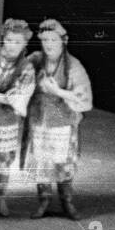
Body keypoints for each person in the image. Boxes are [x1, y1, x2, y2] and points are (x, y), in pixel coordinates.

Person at [25, 19, 94, 219]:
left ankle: (67, 201)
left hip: (63, 121)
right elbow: (19, 73)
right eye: (45, 39)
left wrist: (57, 91)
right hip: (40, 119)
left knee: (64, 163)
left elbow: (84, 98)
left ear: (63, 41)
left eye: (53, 40)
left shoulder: (73, 65)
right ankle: (44, 200)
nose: (48, 44)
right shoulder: (36, 59)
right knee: (42, 162)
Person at [0, 19, 36, 217]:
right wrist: (2, 96)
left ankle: (0, 198)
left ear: (24, 44)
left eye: (18, 42)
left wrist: (3, 96)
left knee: (4, 158)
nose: (12, 45)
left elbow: (20, 97)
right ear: (4, 38)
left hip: (8, 119)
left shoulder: (26, 67)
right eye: (9, 40)